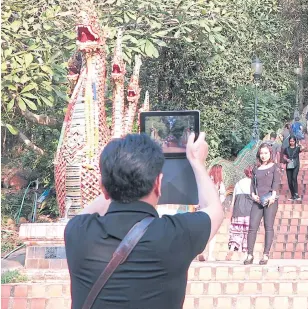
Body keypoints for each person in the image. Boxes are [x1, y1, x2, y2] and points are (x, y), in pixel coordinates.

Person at [64, 132, 224, 309]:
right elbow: (215, 210)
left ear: (103, 188)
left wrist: (117, 176)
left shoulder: (77, 231)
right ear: (158, 183)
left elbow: (95, 203)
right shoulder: (176, 234)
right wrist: (196, 162)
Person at [245, 144, 281, 265]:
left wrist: (273, 196)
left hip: (270, 200)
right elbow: (253, 184)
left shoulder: (274, 167)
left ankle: (265, 255)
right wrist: (253, 195)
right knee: (252, 227)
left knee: (268, 227)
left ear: (270, 153)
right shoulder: (256, 168)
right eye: (261, 153)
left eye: (266, 153)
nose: (263, 155)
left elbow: (276, 182)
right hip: (258, 200)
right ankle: (250, 254)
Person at [226, 166, 254, 261]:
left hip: (237, 211)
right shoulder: (254, 183)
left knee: (235, 232)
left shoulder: (238, 183)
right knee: (247, 233)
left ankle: (232, 248)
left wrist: (231, 213)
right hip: (249, 211)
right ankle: (245, 253)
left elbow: (233, 200)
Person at [281, 136, 302, 201]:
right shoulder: (286, 149)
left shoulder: (297, 148)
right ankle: (292, 195)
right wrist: (286, 159)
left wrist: (300, 144)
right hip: (289, 165)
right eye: (291, 141)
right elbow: (284, 156)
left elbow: (303, 148)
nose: (292, 142)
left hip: (296, 165)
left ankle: (296, 194)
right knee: (289, 181)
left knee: (294, 178)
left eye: (293, 141)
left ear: (295, 141)